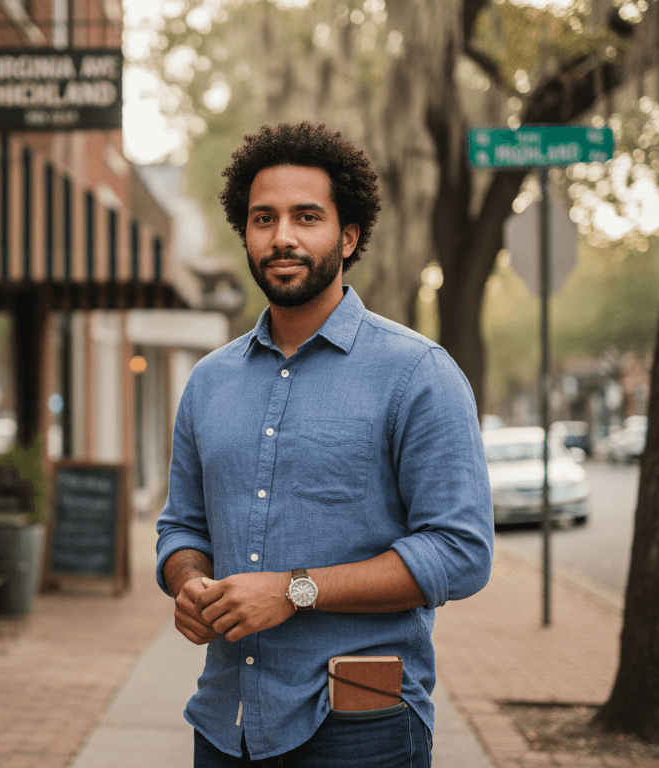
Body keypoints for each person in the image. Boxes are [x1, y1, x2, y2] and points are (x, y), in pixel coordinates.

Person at [156, 121, 494, 766]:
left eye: (305, 216)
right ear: (246, 233)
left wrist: (293, 590)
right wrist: (191, 582)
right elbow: (181, 527)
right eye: (263, 218)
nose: (281, 236)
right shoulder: (209, 382)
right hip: (226, 722)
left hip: (360, 725)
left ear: (348, 235)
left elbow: (460, 551)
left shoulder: (418, 373)